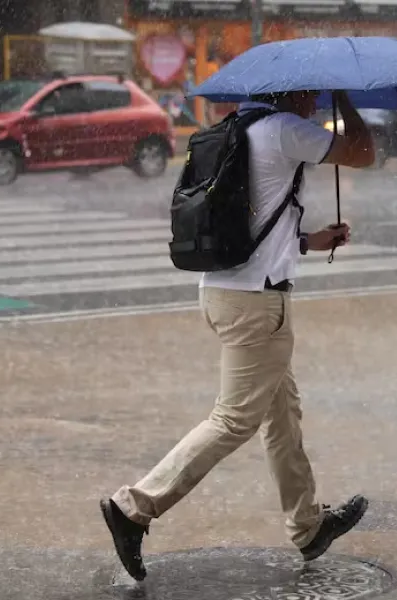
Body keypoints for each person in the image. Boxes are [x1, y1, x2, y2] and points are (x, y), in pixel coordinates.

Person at [100, 89, 375, 581]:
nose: (314, 100)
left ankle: (308, 527)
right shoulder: (285, 130)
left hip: (224, 291)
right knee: (233, 421)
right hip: (257, 304)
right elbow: (363, 152)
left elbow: (250, 223)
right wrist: (346, 102)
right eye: (310, 91)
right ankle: (133, 507)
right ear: (288, 92)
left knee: (282, 412)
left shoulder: (240, 131)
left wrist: (310, 241)